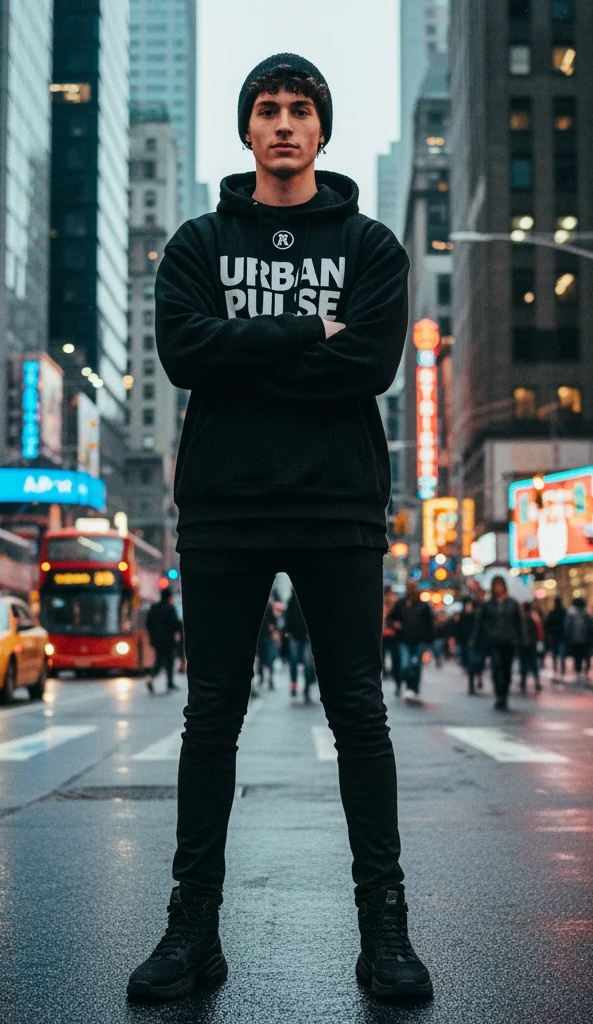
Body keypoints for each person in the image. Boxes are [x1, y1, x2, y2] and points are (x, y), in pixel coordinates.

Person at [127, 54, 431, 1003]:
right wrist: (310, 332)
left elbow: (371, 366)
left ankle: (385, 930)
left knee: (359, 716)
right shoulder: (197, 241)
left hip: (339, 502)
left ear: (322, 128)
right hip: (224, 505)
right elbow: (184, 353)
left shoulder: (374, 246)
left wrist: (243, 354)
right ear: (248, 129)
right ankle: (192, 930)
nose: (286, 124)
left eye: (302, 109)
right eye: (269, 109)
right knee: (210, 718)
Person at [473, 576, 522, 710]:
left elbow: (518, 623)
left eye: (500, 585)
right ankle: (499, 695)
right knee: (496, 667)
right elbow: (480, 623)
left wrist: (520, 639)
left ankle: (504, 694)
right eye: (496, 585)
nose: (498, 588)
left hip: (509, 641)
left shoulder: (512, 603)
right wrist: (478, 640)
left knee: (507, 669)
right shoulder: (488, 605)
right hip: (494, 641)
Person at [388, 580, 435, 704]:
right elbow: (390, 618)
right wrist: (394, 624)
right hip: (403, 640)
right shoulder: (400, 604)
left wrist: (429, 641)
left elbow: (430, 624)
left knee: (415, 665)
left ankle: (414, 689)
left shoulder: (423, 606)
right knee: (405, 665)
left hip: (419, 641)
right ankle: (408, 686)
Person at [146, 589, 182, 693]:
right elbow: (175, 625)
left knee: (159, 660)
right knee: (169, 661)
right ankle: (170, 683)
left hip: (157, 640)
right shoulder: (170, 608)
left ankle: (151, 677)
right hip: (168, 640)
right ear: (169, 597)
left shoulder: (154, 608)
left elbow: (148, 624)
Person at [284, 592, 316, 702]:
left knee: (308, 663)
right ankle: (293, 685)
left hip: (307, 637)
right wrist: (288, 633)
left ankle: (307, 687)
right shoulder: (292, 601)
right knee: (294, 662)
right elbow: (287, 618)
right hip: (295, 637)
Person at [563, 598, 593, 676]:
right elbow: (591, 626)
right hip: (584, 639)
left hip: (575, 639)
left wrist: (568, 638)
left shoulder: (571, 614)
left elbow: (567, 627)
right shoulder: (586, 614)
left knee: (577, 655)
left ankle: (579, 670)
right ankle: (584, 669)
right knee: (584, 654)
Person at [518, 601, 543, 694]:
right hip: (531, 643)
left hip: (524, 644)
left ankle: (524, 681)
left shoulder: (522, 617)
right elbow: (539, 631)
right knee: (533, 664)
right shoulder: (534, 617)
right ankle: (535, 681)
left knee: (524, 663)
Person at [381, 587, 401, 684]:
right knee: (382, 655)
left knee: (395, 656)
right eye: (389, 595)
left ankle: (394, 673)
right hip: (383, 635)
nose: (391, 597)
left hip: (393, 635)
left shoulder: (395, 607)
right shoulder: (382, 605)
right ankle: (385, 672)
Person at [544, 597, 566, 673]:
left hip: (554, 636)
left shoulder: (552, 612)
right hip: (561, 635)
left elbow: (547, 624)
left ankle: (555, 668)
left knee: (555, 653)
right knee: (562, 653)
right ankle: (562, 668)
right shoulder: (564, 612)